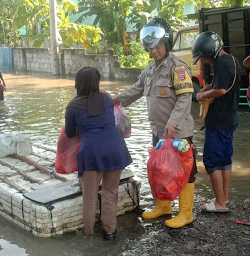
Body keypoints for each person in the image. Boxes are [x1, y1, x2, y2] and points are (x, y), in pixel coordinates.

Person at [114, 18, 197, 229]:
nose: (154, 51)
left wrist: (172, 123)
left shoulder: (177, 68)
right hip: (159, 131)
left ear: (166, 44)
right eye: (150, 48)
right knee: (161, 168)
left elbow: (185, 98)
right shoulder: (150, 68)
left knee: (185, 171)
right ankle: (164, 207)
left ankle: (185, 213)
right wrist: (115, 101)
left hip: (178, 131)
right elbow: (136, 89)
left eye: (157, 47)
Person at [65, 67, 132, 240]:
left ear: (77, 83)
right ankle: (109, 231)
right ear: (97, 82)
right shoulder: (107, 99)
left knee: (90, 196)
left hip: (92, 153)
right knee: (111, 192)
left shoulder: (73, 106)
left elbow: (70, 133)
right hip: (115, 148)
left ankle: (89, 233)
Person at [193, 31, 242, 212]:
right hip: (230, 118)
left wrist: (201, 95)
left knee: (212, 161)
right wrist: (208, 87)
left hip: (219, 120)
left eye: (204, 57)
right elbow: (222, 84)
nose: (204, 61)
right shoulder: (232, 60)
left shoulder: (220, 63)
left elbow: (221, 90)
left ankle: (220, 204)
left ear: (210, 52)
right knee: (224, 160)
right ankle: (224, 198)